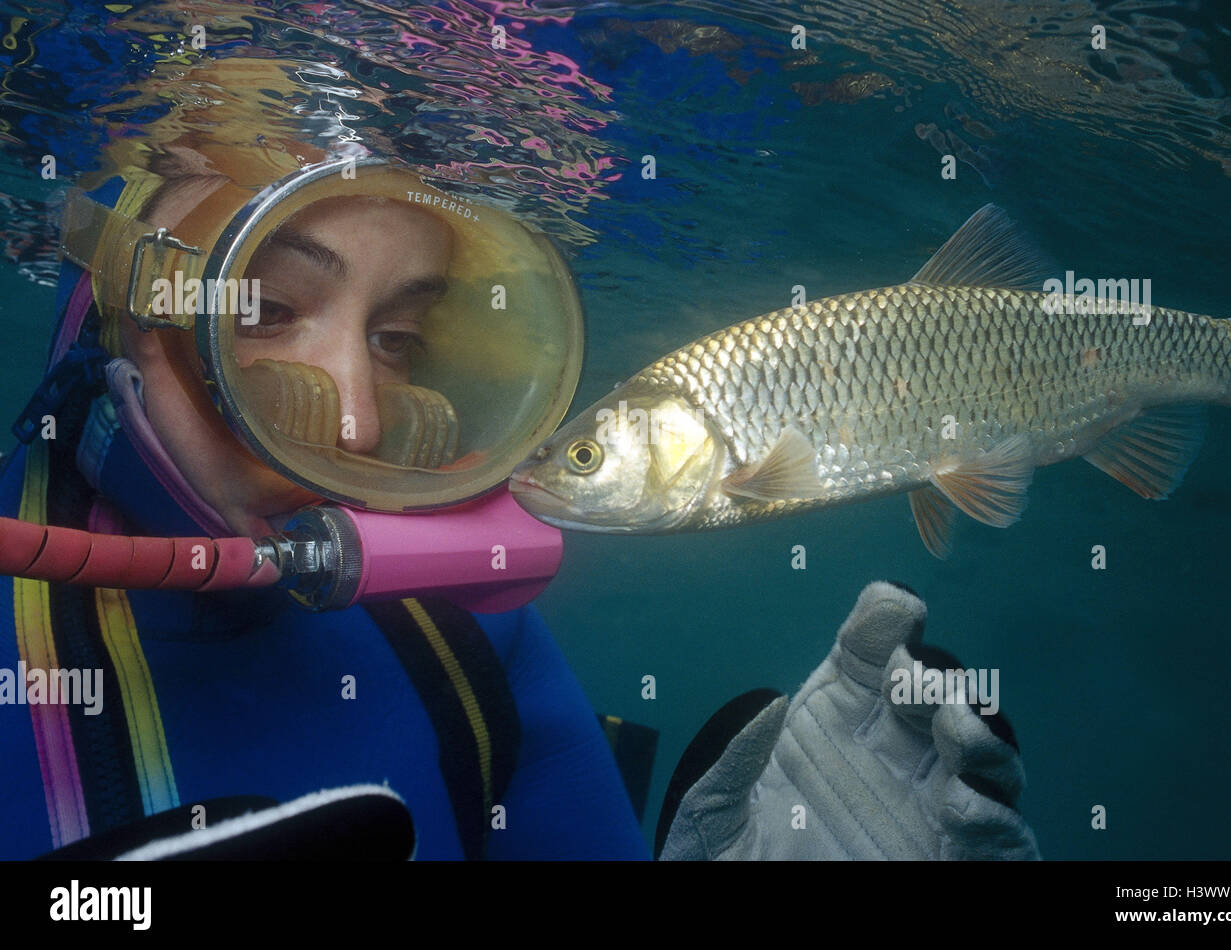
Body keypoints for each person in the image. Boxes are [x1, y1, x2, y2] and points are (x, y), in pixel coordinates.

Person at [0, 61, 1038, 861]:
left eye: (399, 340)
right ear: (123, 295)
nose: (355, 426)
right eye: (262, 311)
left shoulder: (465, 631)